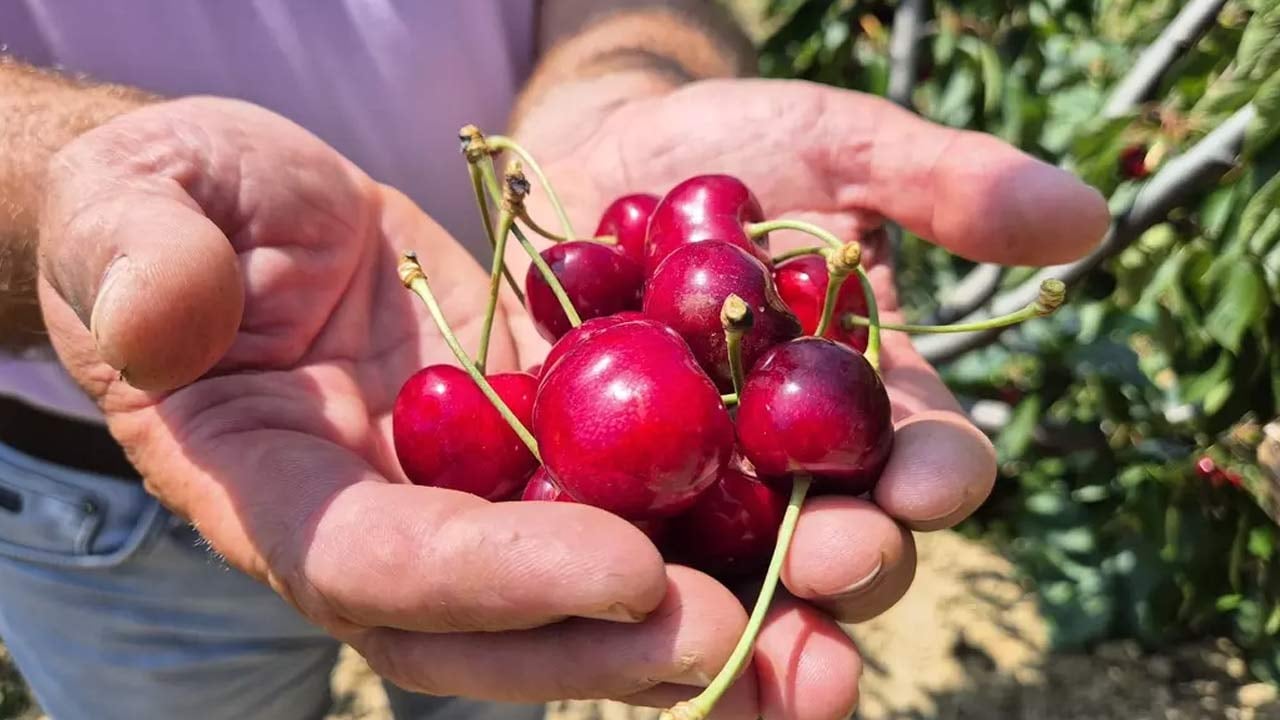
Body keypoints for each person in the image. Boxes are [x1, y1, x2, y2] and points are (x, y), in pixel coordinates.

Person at [0, 2, 1111, 719]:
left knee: (512, 667)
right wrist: (58, 187)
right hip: (85, 512)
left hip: (504, 496)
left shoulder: (666, 382)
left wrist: (629, 80)